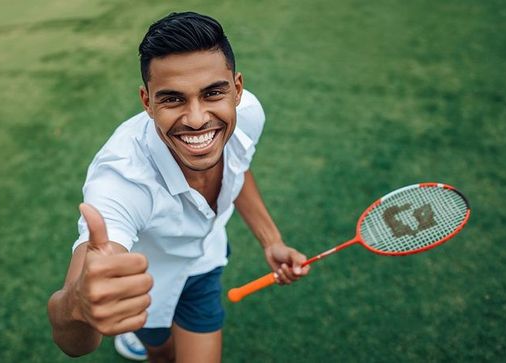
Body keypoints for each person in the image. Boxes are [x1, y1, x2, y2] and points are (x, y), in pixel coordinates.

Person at [47, 12, 310, 362]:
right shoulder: (122, 178)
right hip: (145, 286)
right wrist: (77, 306)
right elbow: (73, 344)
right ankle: (146, 341)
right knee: (162, 353)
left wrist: (271, 240)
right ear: (147, 103)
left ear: (237, 89)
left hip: (206, 263)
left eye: (213, 93)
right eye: (172, 99)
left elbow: (237, 168)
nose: (198, 118)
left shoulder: (247, 115)